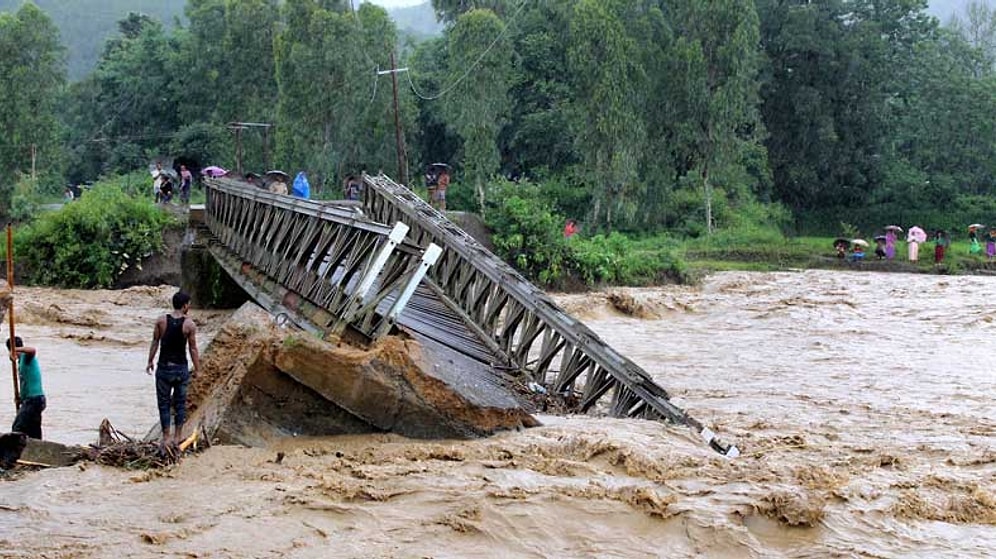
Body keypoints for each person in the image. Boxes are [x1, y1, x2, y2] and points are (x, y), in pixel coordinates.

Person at [146, 291, 200, 449]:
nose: (189, 307)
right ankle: (177, 437)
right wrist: (198, 369)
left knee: (163, 404)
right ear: (184, 306)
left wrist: (150, 361)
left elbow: (155, 341)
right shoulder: (189, 324)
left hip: (163, 368)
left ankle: (166, 438)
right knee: (180, 404)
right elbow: (193, 349)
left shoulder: (161, 321)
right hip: (180, 370)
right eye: (188, 304)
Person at [7, 336, 45, 440]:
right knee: (33, 430)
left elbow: (32, 350)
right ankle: (36, 451)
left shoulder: (26, 357)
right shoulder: (20, 363)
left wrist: (15, 349)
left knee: (18, 427)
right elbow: (26, 382)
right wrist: (20, 397)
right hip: (32, 400)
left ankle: (13, 452)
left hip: (34, 399)